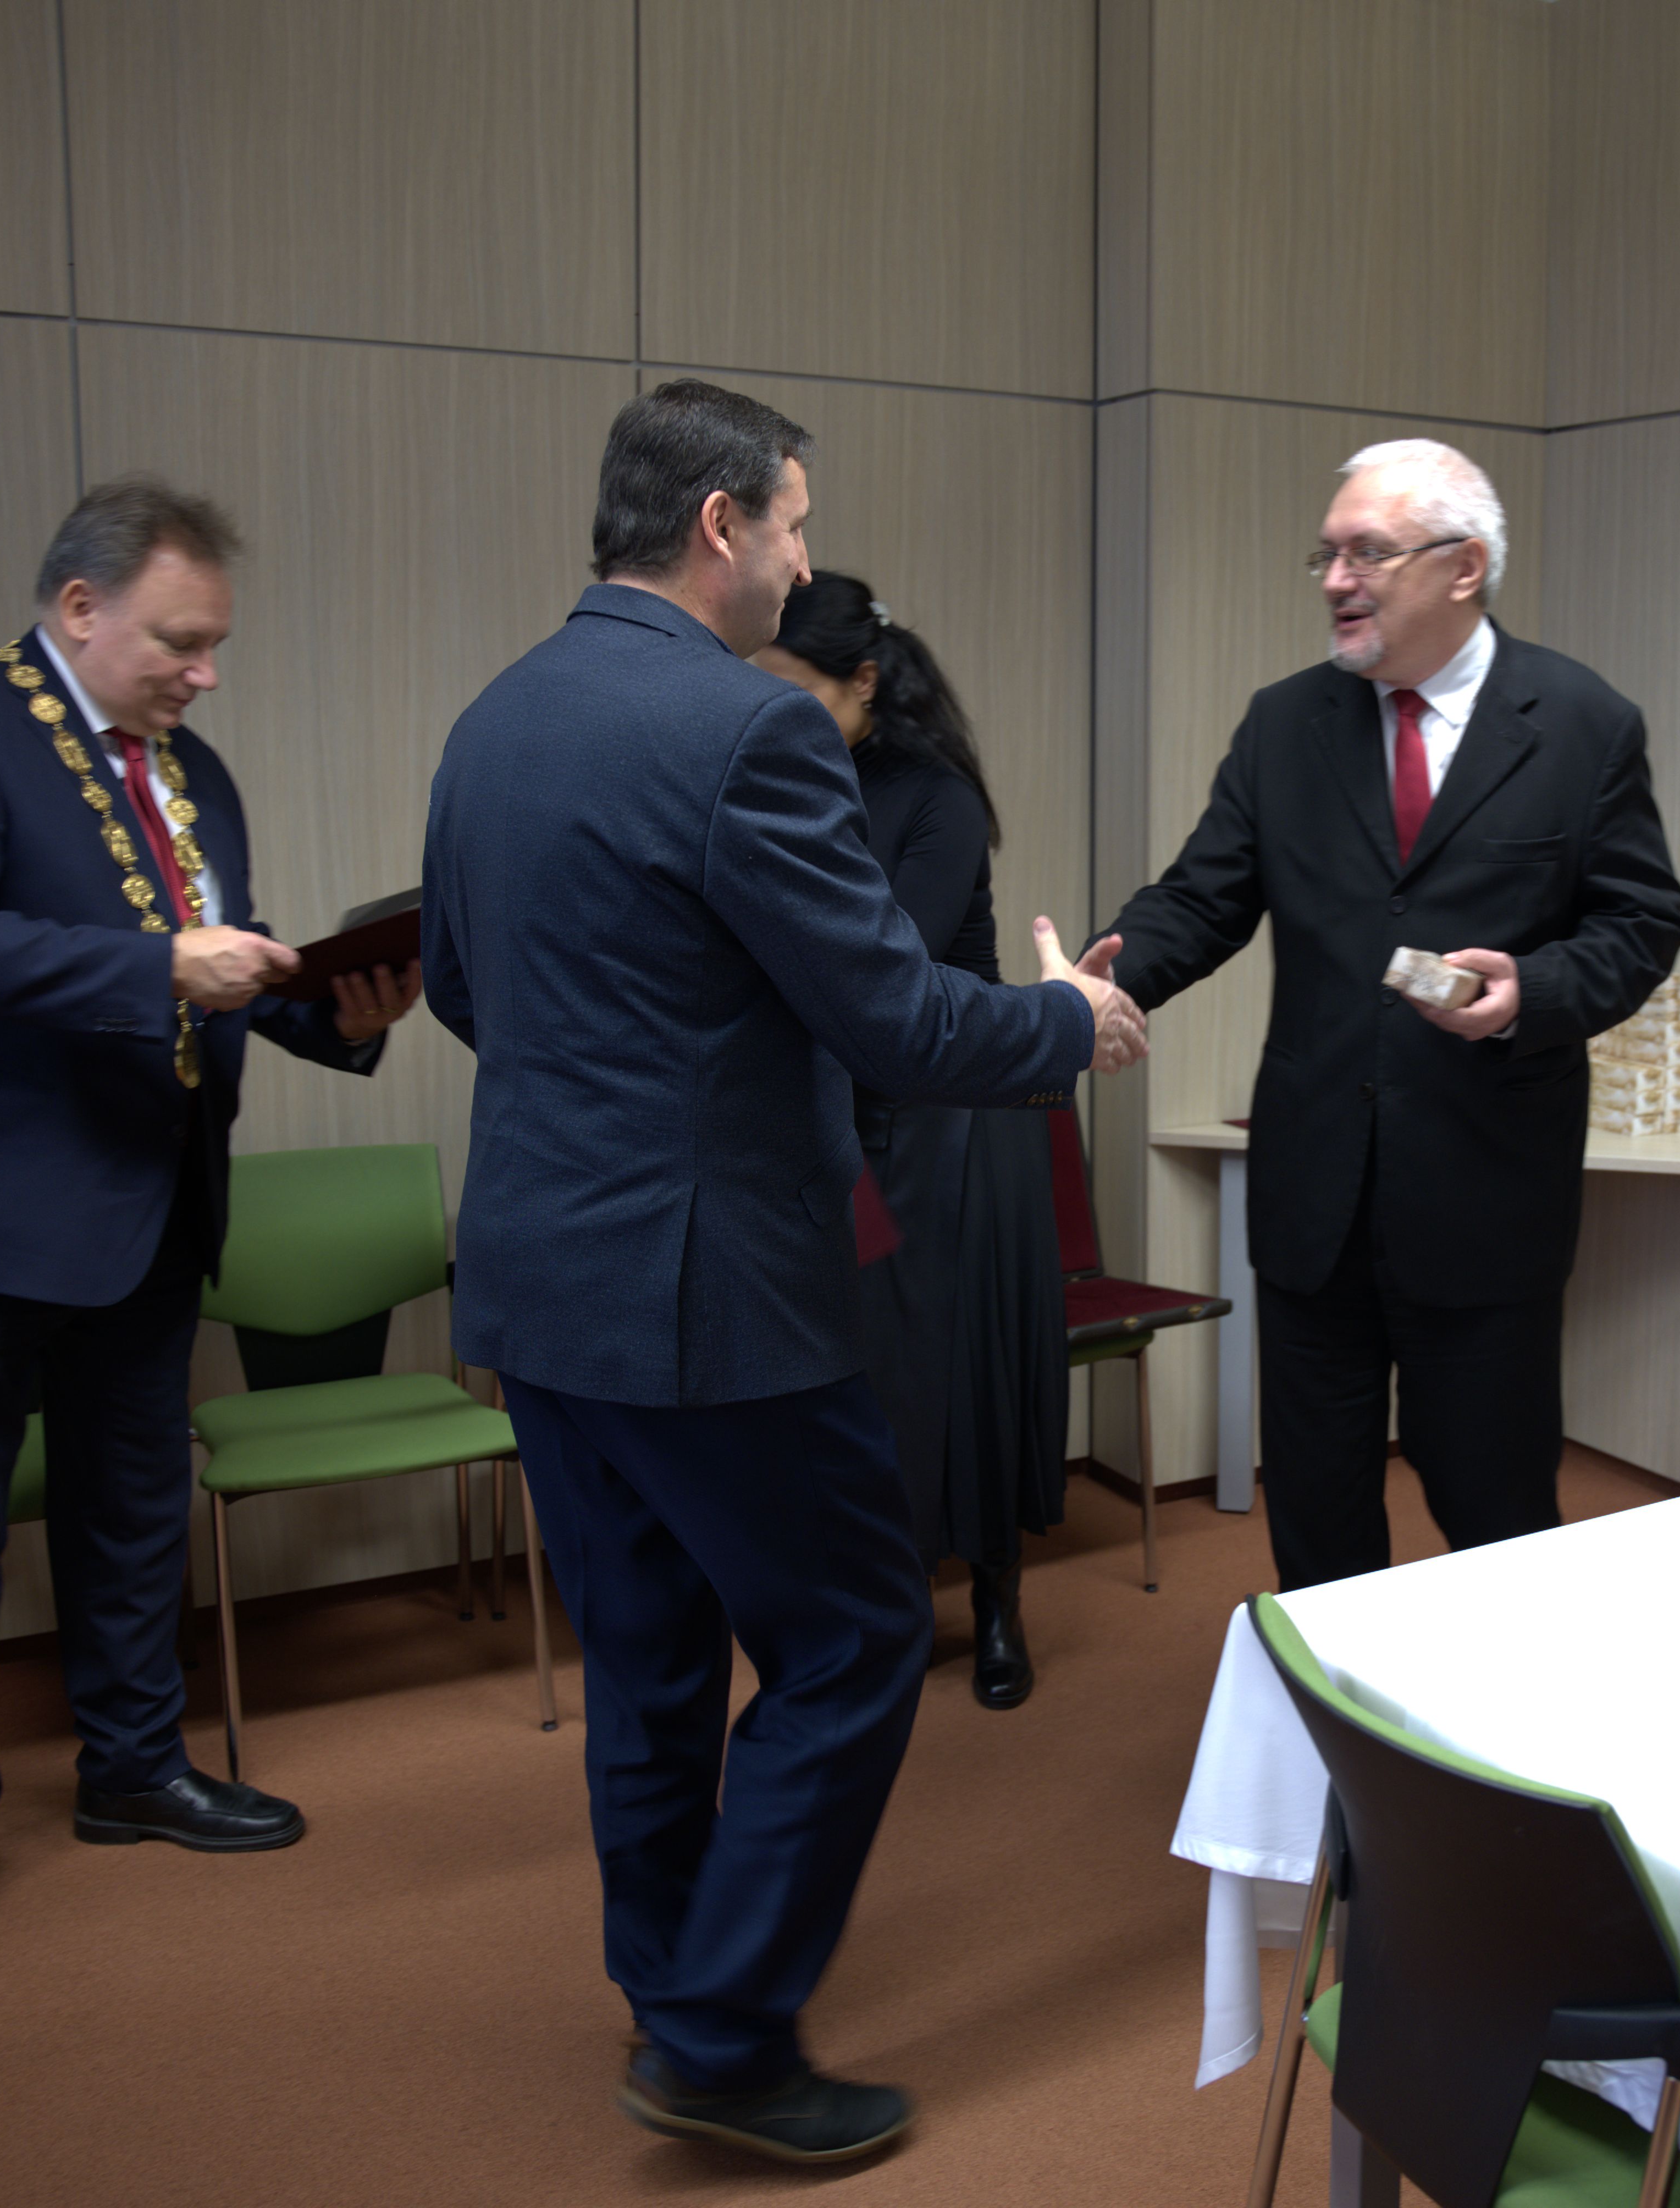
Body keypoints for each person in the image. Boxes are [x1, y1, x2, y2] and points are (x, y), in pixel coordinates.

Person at [421, 380, 1143, 2166]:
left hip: (538, 1288)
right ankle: (727, 2036)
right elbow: (895, 1019)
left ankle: (669, 1987)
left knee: (651, 1663)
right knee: (853, 1637)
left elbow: (458, 988)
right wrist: (1068, 1019)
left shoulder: (497, 714)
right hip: (712, 1295)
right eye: (797, 523)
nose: (807, 562)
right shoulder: (749, 732)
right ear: (722, 524)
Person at [0, 479, 422, 1978]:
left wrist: (338, 1014)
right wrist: (160, 968)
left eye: (215, 647)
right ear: (80, 609)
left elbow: (225, 967)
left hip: (148, 1205)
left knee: (134, 1510)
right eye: (179, 642)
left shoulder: (194, 771)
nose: (205, 674)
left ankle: (134, 1769)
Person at [1096, 440, 1680, 1591]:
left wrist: (1531, 996)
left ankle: (1500, 1711)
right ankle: (1333, 1713)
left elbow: (1641, 923)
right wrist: (1106, 979)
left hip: (1487, 1197)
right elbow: (1202, 898)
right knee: (1318, 1518)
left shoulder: (1582, 722)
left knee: (1496, 1512)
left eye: (1367, 553)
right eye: (1327, 554)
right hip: (1315, 1199)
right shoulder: (1286, 723)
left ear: (1464, 566)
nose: (1335, 580)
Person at [753, 574, 1065, 1710]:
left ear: (866, 681)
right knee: (866, 1371)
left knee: (966, 1366)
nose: (772, 713)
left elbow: (885, 972)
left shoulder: (935, 797)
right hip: (847, 1125)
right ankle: (882, 1608)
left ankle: (997, 1601)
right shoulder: (782, 786)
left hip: (958, 1124)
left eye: (794, 691)